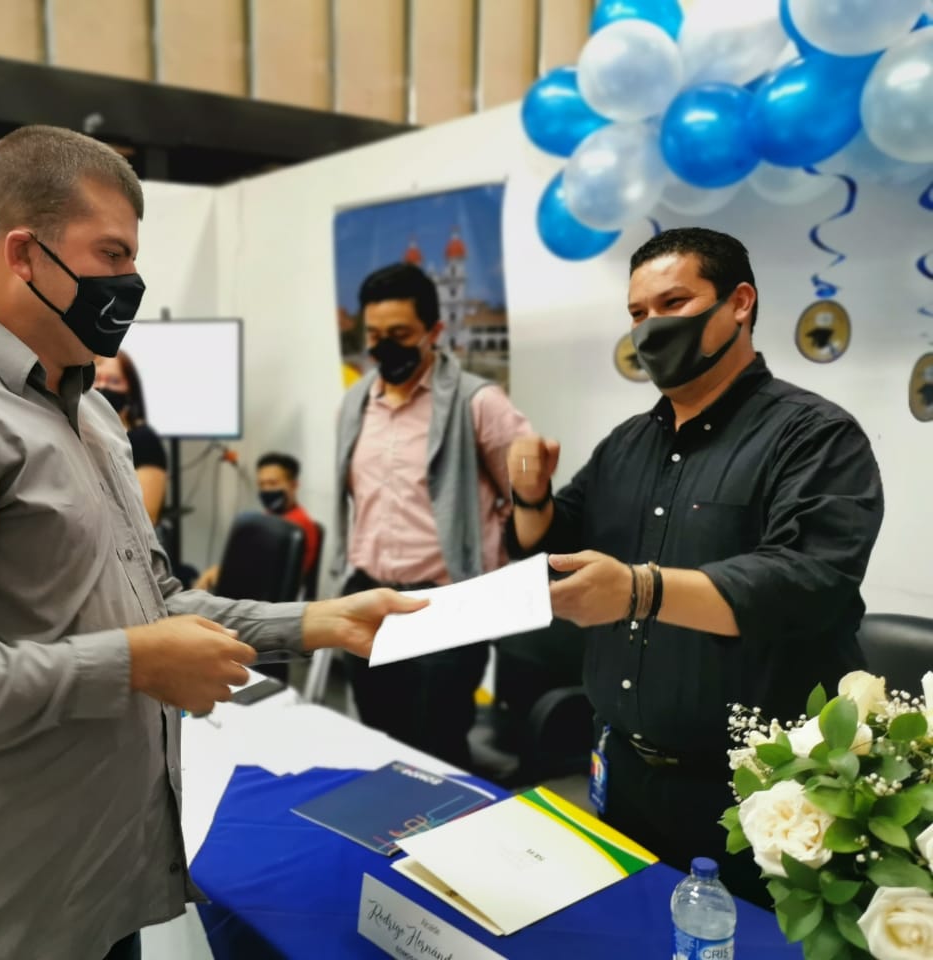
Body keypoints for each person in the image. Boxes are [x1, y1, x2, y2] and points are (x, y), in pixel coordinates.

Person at [0, 125, 424, 960]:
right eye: (111, 254)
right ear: (23, 254)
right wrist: (131, 665)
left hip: (94, 883)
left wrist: (318, 622)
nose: (130, 282)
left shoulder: (89, 412)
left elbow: (150, 602)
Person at [506, 227, 883, 903]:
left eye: (673, 303)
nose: (651, 326)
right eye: (637, 312)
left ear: (739, 303)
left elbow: (809, 581)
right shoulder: (626, 444)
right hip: (624, 773)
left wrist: (641, 590)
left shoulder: (815, 435)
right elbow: (553, 546)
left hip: (761, 797)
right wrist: (530, 495)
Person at [334, 262, 533, 769]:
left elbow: (527, 499)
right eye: (374, 335)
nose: (384, 347)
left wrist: (484, 566)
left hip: (444, 604)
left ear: (434, 330)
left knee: (438, 755)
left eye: (400, 334)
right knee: (377, 744)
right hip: (368, 596)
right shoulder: (355, 403)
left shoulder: (479, 402)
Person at [194, 451, 322, 592]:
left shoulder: (297, 527)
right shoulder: (270, 517)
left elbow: (274, 573)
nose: (266, 489)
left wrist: (224, 572)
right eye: (261, 484)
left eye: (273, 483)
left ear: (294, 485)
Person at [94, 350, 167, 524]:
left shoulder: (144, 440)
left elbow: (147, 515)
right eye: (95, 380)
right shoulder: (78, 435)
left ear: (130, 389)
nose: (103, 387)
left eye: (114, 381)